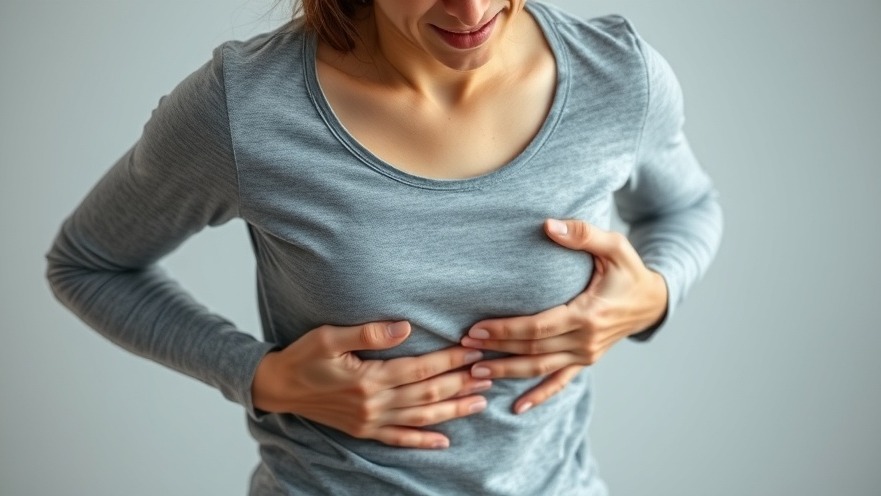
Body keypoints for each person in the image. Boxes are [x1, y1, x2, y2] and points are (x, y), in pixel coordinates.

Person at [45, 0, 723, 494]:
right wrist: (260, 377)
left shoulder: (618, 77)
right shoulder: (245, 107)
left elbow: (685, 208)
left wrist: (650, 296)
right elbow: (88, 264)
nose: (472, 8)